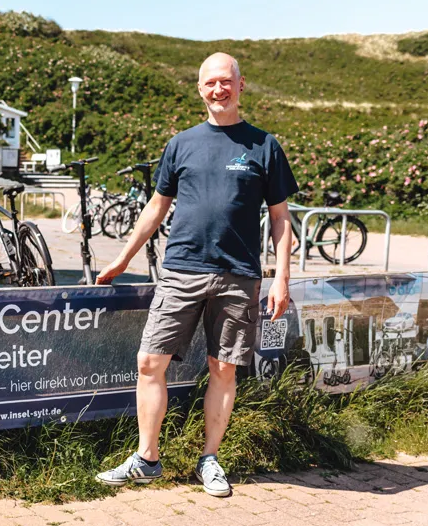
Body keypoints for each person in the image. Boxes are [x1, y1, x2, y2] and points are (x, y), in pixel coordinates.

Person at [94, 53, 294, 497]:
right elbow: (156, 207)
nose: (218, 89)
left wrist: (281, 278)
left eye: (226, 81)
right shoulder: (180, 144)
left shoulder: (264, 146)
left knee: (223, 368)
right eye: (210, 83)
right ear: (200, 89)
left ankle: (210, 459)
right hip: (181, 269)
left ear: (241, 85)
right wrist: (123, 259)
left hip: (238, 275)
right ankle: (147, 458)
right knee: (150, 362)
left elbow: (281, 218)